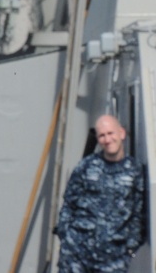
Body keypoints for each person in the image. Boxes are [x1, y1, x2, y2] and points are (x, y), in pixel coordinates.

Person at [56, 114, 145, 273]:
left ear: (121, 133)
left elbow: (138, 214)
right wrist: (66, 237)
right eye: (102, 135)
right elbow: (69, 203)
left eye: (111, 133)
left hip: (113, 258)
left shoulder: (135, 171)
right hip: (76, 254)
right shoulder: (86, 166)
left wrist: (130, 248)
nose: (107, 139)